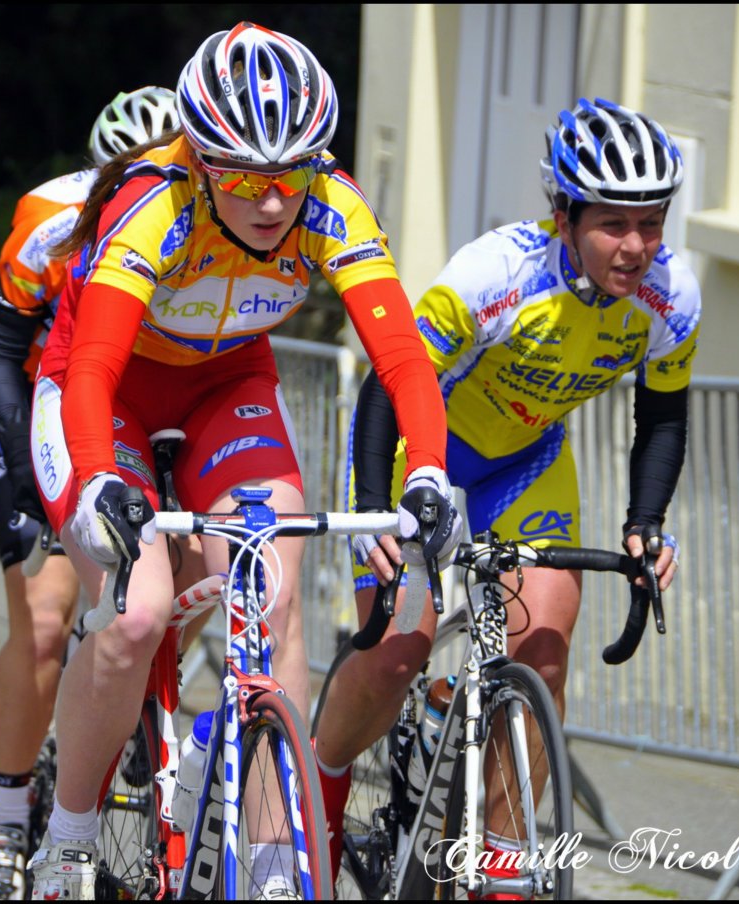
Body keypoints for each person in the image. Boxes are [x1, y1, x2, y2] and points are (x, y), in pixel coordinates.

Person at [25, 21, 462, 901]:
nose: (272, 203)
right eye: (246, 180)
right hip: (101, 396)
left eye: (291, 177)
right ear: (199, 161)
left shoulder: (332, 204)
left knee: (278, 591)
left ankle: (275, 862)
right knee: (139, 611)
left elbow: (405, 358)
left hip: (229, 385)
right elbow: (97, 366)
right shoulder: (154, 202)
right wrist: (98, 477)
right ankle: (67, 836)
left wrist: (428, 472)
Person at [313, 97, 701, 888]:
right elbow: (394, 383)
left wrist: (645, 525)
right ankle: (314, 796)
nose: (635, 247)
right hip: (421, 459)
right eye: (613, 224)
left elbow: (661, 413)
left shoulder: (673, 296)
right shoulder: (495, 276)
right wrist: (372, 506)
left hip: (525, 462)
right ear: (565, 216)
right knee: (397, 655)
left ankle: (501, 865)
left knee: (544, 656)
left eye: (651, 223)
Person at [0, 86, 180, 901]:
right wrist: (34, 484)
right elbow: (5, 350)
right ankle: (9, 810)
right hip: (33, 413)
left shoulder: (205, 224)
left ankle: (149, 743)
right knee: (50, 621)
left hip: (135, 420)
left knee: (170, 595)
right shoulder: (54, 219)